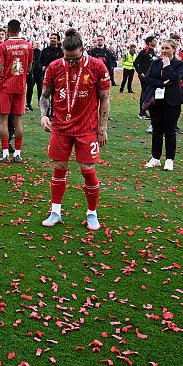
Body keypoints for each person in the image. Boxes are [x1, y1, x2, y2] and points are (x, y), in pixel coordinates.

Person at [39, 28, 111, 231]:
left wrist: (102, 127)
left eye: (75, 58)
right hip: (60, 127)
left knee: (87, 170)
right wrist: (44, 115)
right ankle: (55, 212)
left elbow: (104, 98)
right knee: (59, 168)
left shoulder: (97, 66)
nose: (71, 62)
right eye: (67, 58)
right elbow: (45, 95)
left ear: (83, 50)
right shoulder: (54, 66)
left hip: (87, 127)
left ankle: (92, 213)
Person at [0, 19, 33, 164]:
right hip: (20, 87)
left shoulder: (4, 46)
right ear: (20, 29)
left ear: (8, 30)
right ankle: (18, 154)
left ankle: (5, 154)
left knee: (3, 121)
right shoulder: (28, 46)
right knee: (18, 121)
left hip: (5, 87)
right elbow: (29, 68)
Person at [142, 40, 183, 171]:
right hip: (156, 102)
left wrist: (167, 66)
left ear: (174, 49)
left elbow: (175, 79)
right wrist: (163, 83)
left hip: (172, 101)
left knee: (170, 131)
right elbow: (148, 79)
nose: (163, 50)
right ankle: (155, 158)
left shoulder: (179, 64)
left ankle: (169, 160)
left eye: (167, 48)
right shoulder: (155, 63)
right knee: (156, 131)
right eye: (162, 48)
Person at [133, 36, 158, 119]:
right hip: (145, 76)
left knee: (148, 92)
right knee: (145, 93)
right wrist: (140, 73)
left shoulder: (153, 52)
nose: (156, 42)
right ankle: (142, 113)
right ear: (150, 42)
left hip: (151, 76)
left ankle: (146, 111)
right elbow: (135, 63)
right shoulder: (144, 52)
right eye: (154, 40)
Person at [25, 44, 42, 112]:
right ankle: (28, 104)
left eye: (38, 43)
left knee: (40, 89)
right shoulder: (30, 52)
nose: (37, 45)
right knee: (30, 89)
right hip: (31, 74)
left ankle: (40, 104)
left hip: (39, 74)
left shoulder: (41, 52)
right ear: (33, 45)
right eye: (36, 43)